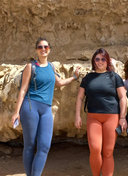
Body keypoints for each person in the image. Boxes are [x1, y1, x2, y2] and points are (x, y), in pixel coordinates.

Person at [11, 37, 80, 176]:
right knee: (30, 145)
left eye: (46, 47)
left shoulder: (51, 67)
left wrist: (74, 77)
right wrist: (16, 112)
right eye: (40, 47)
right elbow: (23, 89)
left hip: (46, 109)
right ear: (36, 50)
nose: (43, 49)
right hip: (30, 107)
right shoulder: (31, 66)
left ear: (49, 49)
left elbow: (59, 83)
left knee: (44, 146)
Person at [75, 48, 127, 176]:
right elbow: (80, 97)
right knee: (95, 149)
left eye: (103, 59)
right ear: (94, 61)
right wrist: (77, 116)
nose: (100, 61)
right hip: (94, 117)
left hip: (112, 117)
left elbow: (123, 97)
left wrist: (123, 117)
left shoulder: (114, 76)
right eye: (97, 59)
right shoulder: (88, 78)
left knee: (108, 151)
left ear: (107, 61)